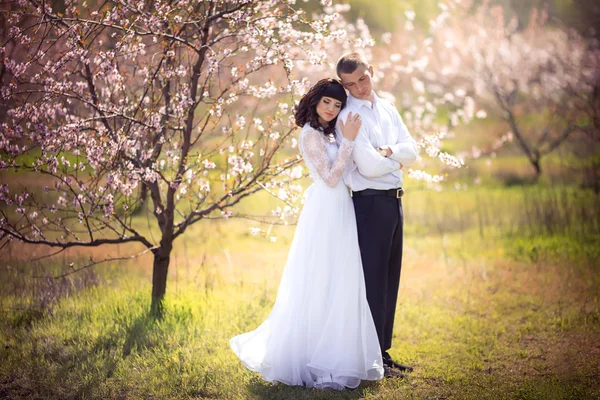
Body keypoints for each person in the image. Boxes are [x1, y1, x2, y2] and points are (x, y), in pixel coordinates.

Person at [230, 78, 384, 389]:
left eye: (337, 105)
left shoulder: (328, 134)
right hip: (326, 210)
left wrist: (353, 142)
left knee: (338, 277)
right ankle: (311, 357)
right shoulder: (310, 135)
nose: (331, 109)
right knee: (320, 278)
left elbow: (345, 168)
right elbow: (329, 177)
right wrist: (350, 141)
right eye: (327, 102)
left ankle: (335, 352)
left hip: (341, 208)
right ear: (314, 101)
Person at [335, 53, 419, 377]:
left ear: (372, 71)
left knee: (389, 279)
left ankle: (383, 352)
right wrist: (397, 159)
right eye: (350, 84)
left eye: (362, 79)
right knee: (373, 283)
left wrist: (389, 153)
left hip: (394, 202)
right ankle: (372, 358)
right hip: (370, 205)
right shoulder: (349, 117)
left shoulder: (388, 108)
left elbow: (414, 149)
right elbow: (368, 169)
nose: (358, 88)